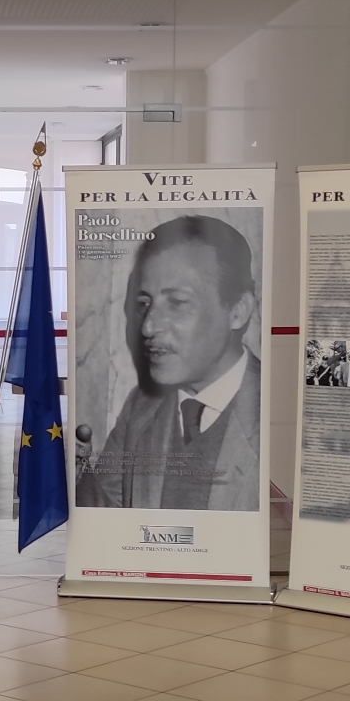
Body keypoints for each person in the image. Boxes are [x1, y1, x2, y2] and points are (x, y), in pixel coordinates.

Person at [77, 215, 261, 511]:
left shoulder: (276, 415)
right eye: (143, 304)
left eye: (176, 303)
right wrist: (69, 470)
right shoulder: (142, 406)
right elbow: (106, 513)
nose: (148, 327)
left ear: (238, 311)